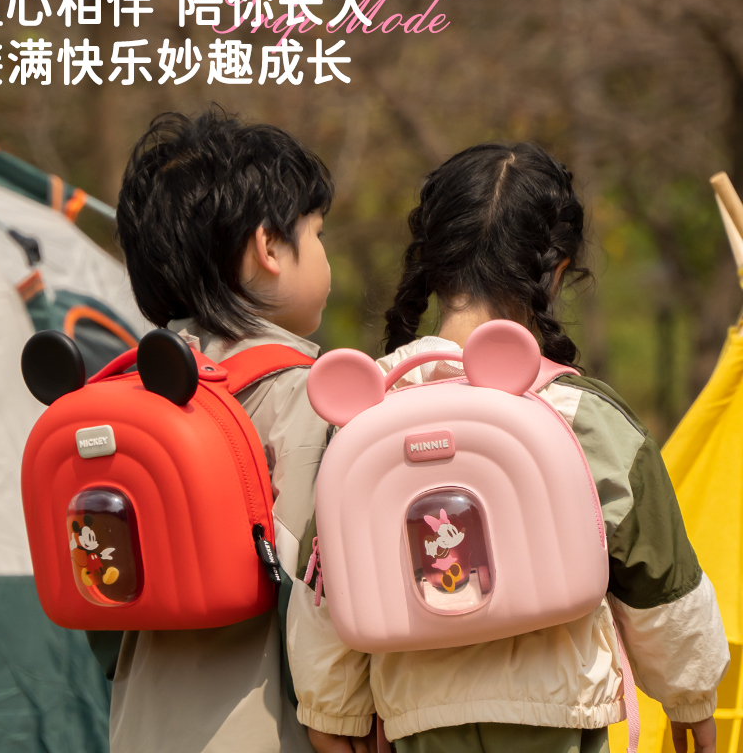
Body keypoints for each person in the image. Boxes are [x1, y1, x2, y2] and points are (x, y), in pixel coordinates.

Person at [287, 142, 729, 753]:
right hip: (561, 719)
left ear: (433, 264)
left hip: (419, 724)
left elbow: (325, 583)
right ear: (557, 270)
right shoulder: (581, 416)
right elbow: (659, 573)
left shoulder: (366, 420)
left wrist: (330, 711)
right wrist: (690, 694)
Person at [110, 108, 333, 753]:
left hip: (139, 723)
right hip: (266, 729)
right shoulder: (304, 395)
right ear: (270, 248)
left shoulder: (129, 397)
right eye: (317, 234)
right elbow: (318, 591)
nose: (324, 253)